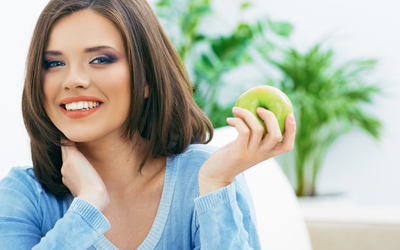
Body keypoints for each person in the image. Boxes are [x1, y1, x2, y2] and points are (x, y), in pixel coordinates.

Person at [0, 0, 296, 249]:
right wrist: (88, 205)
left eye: (100, 59)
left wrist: (215, 186)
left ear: (147, 78)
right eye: (54, 63)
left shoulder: (207, 178)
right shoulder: (23, 195)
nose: (73, 80)